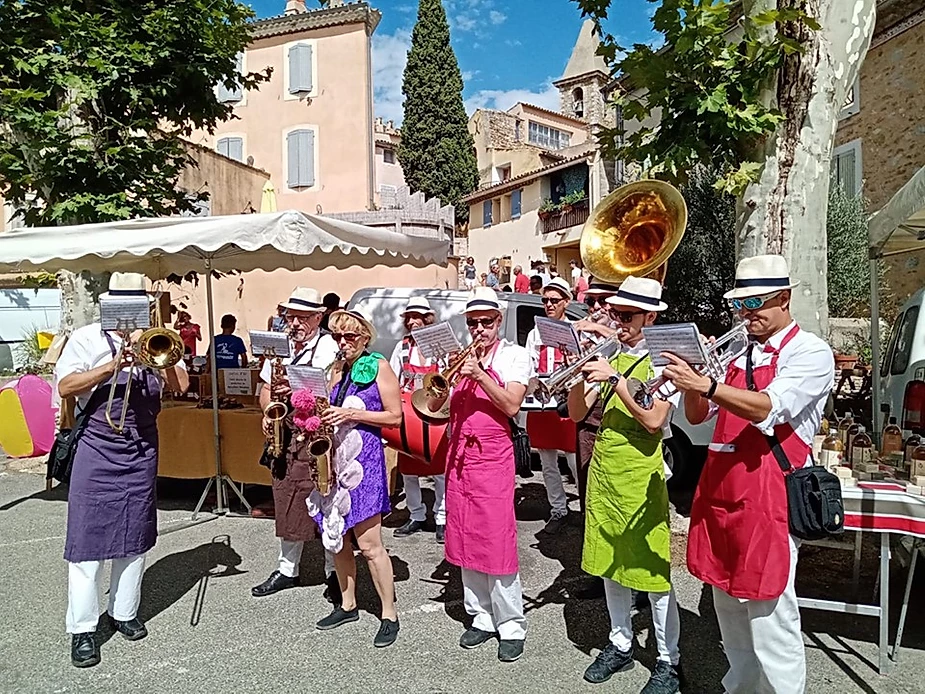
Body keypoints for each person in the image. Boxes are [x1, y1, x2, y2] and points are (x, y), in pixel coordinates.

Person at [662, 255, 834, 694]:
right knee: (729, 610)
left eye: (755, 303)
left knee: (770, 616)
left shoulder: (810, 352)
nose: (746, 314)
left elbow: (771, 408)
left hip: (769, 496)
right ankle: (740, 687)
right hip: (722, 493)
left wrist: (709, 385)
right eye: (741, 304)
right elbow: (700, 417)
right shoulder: (739, 350)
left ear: (785, 298)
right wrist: (693, 378)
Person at [56, 273, 190, 668]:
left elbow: (180, 385)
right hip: (98, 450)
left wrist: (155, 354)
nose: (131, 313)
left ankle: (124, 613)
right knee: (86, 544)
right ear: (107, 305)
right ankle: (83, 629)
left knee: (135, 535)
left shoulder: (154, 339)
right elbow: (66, 386)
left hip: (141, 450)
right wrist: (112, 366)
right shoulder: (86, 338)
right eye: (122, 305)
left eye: (139, 306)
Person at [567, 276, 683, 693]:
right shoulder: (609, 353)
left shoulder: (667, 361)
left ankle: (669, 660)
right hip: (606, 466)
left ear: (650, 316)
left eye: (627, 315)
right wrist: (582, 372)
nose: (617, 321)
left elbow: (654, 422)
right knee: (611, 564)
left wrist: (615, 379)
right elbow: (579, 413)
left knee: (653, 573)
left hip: (641, 472)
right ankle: (620, 642)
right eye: (615, 313)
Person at [421, 287, 532, 663]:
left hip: (492, 457)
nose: (479, 329)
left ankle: (511, 623)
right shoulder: (463, 359)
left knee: (497, 539)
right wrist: (443, 379)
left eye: (486, 322)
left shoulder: (515, 356)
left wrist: (481, 374)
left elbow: (512, 405)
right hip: (460, 458)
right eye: (473, 323)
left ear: (499, 321)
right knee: (465, 535)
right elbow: (434, 407)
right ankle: (481, 616)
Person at [313, 307, 403, 648]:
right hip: (335, 460)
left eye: (349, 336)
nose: (343, 342)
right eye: (337, 336)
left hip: (365, 461)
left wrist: (352, 412)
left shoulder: (379, 365)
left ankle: (389, 614)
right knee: (338, 538)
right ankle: (348, 604)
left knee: (369, 545)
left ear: (364, 337)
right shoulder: (337, 369)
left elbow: (395, 417)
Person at [252, 287, 342, 604]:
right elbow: (264, 387)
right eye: (292, 316)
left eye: (303, 317)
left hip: (317, 431)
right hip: (287, 432)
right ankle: (288, 569)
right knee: (286, 495)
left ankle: (334, 571)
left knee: (326, 499)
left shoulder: (331, 347)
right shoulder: (282, 346)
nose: (295, 322)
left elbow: (332, 391)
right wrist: (267, 410)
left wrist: (293, 387)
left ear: (318, 317)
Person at [388, 297, 446, 543]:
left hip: (435, 412)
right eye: (409, 318)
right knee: (409, 471)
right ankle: (416, 515)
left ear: (427, 320)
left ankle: (442, 518)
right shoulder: (401, 347)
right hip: (409, 413)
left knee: (440, 470)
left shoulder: (440, 346)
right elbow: (391, 378)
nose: (412, 322)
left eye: (417, 317)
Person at [525, 277, 578, 534]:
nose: (548, 305)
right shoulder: (535, 332)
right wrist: (534, 383)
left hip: (568, 402)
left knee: (575, 460)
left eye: (554, 301)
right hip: (543, 403)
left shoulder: (575, 329)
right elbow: (531, 366)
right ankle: (559, 509)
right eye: (545, 300)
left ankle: (587, 509)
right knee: (547, 462)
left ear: (566, 302)